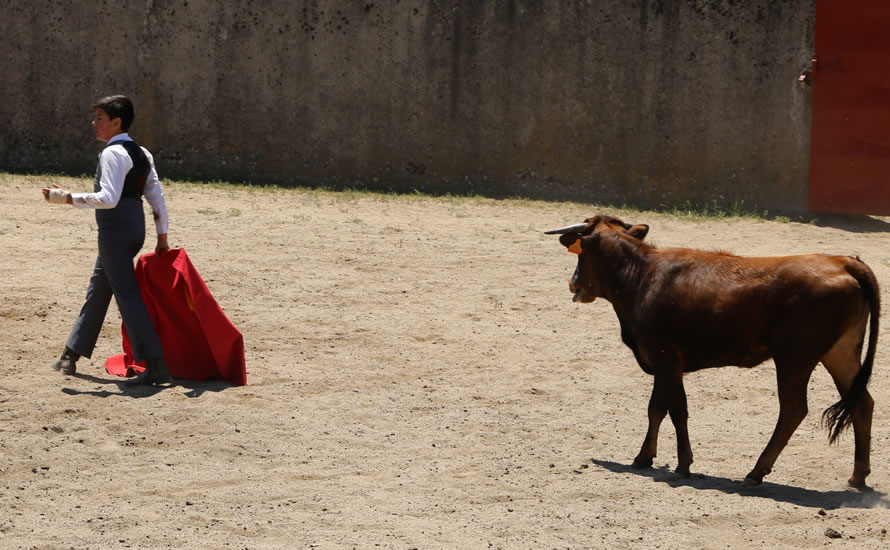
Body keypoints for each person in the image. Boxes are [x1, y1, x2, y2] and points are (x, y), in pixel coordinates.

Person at [42, 95, 172, 386]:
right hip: (134, 228)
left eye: (100, 118)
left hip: (115, 231)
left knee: (127, 295)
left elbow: (108, 199)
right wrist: (162, 236)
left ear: (117, 122)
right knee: (99, 288)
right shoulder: (142, 153)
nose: (94, 123)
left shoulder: (112, 153)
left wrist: (66, 199)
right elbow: (156, 196)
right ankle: (70, 354)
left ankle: (155, 364)